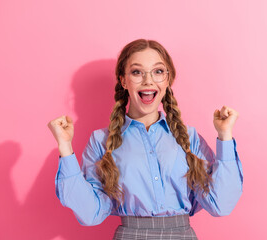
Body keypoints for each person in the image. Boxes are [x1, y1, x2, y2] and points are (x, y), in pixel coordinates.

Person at [47, 39, 244, 239]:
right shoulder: (101, 141)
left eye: (158, 71)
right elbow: (90, 213)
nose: (148, 81)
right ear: (124, 80)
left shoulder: (190, 138)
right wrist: (65, 147)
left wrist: (225, 136)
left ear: (168, 79)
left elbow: (221, 204)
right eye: (137, 72)